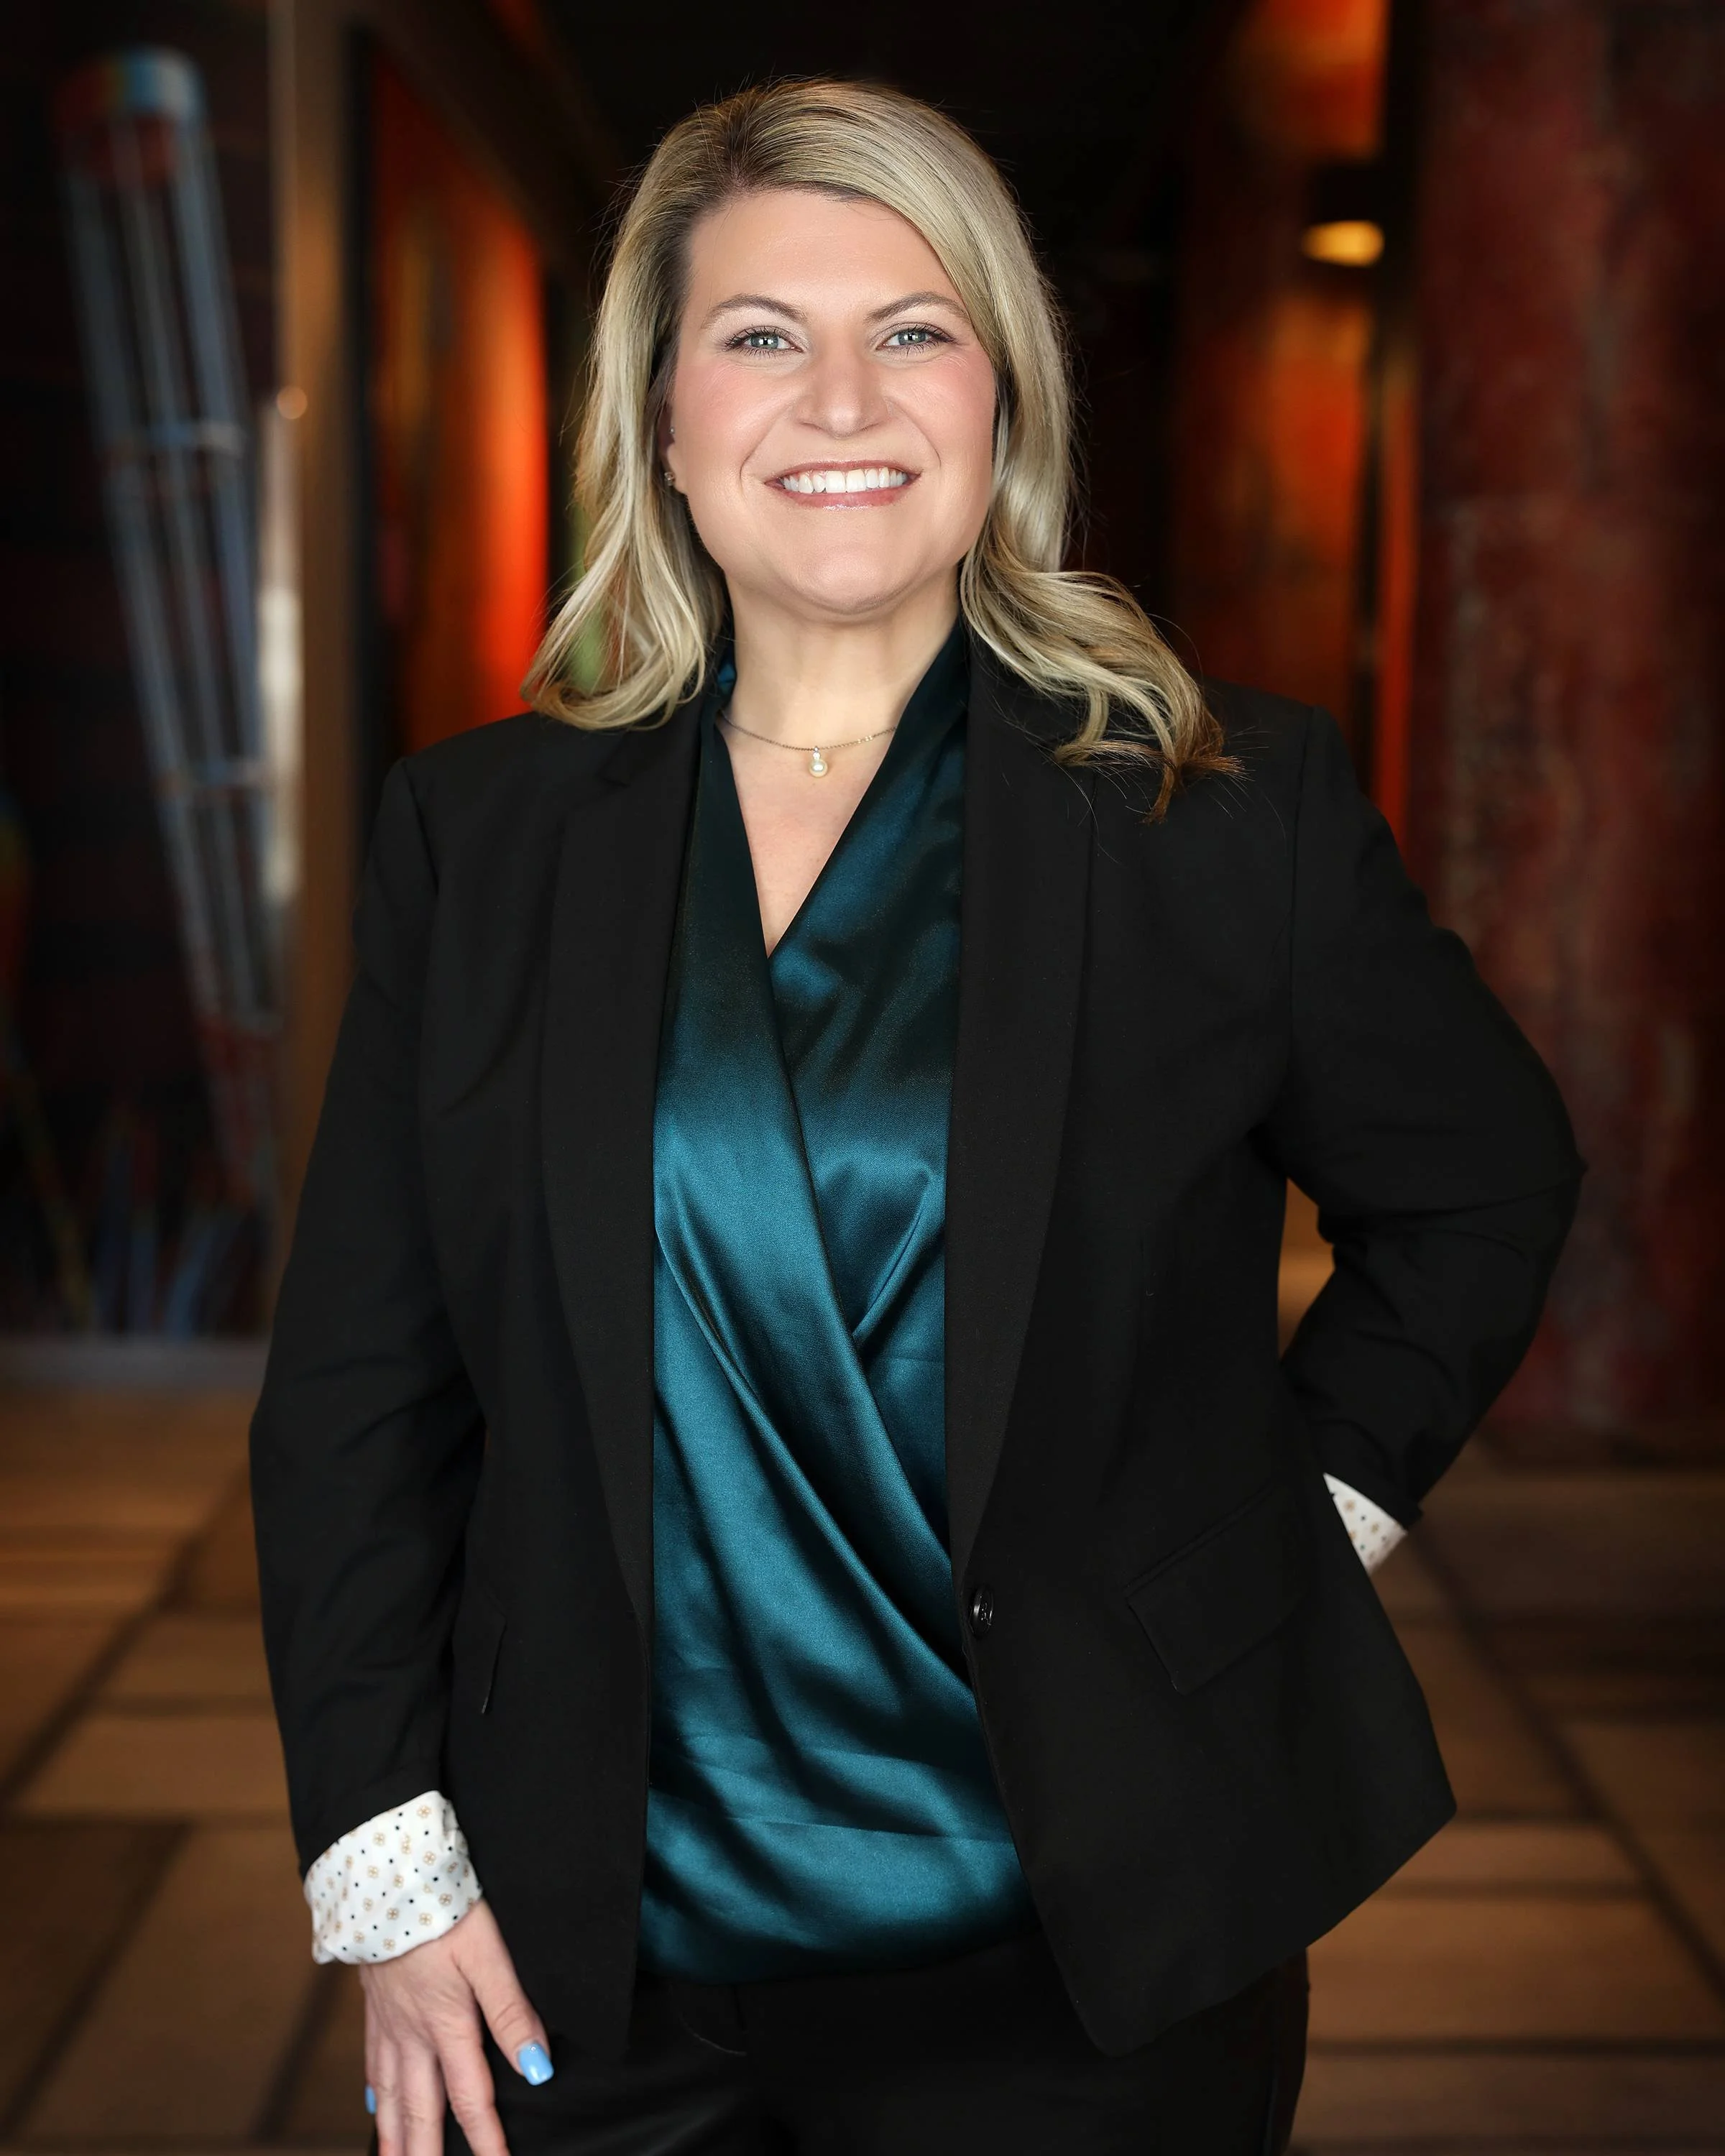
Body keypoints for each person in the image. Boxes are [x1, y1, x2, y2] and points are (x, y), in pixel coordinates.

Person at [252, 78, 1582, 2156]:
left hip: (1092, 1959)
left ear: (1003, 405)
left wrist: (1293, 1521)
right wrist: (385, 1862)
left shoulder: (1218, 817)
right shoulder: (482, 841)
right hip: (588, 1946)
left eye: (917, 327)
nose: (842, 394)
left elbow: (1485, 1187)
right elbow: (357, 1380)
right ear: (666, 419)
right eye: (762, 337)